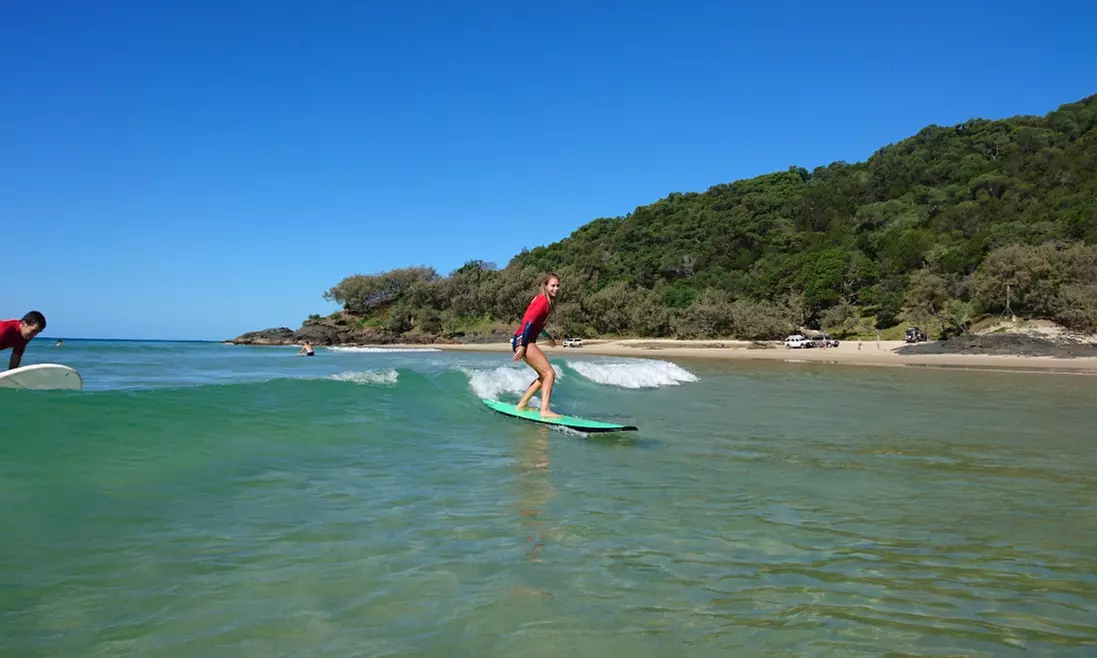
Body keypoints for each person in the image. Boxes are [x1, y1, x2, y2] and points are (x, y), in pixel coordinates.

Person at [511, 273, 561, 418]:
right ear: (545, 286)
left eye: (558, 285)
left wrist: (548, 337)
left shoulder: (545, 302)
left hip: (523, 339)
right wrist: (523, 346)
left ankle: (522, 405)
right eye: (552, 285)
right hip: (524, 340)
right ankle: (544, 410)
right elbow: (529, 323)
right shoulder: (542, 301)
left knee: (544, 376)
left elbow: (536, 325)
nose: (556, 288)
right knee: (550, 374)